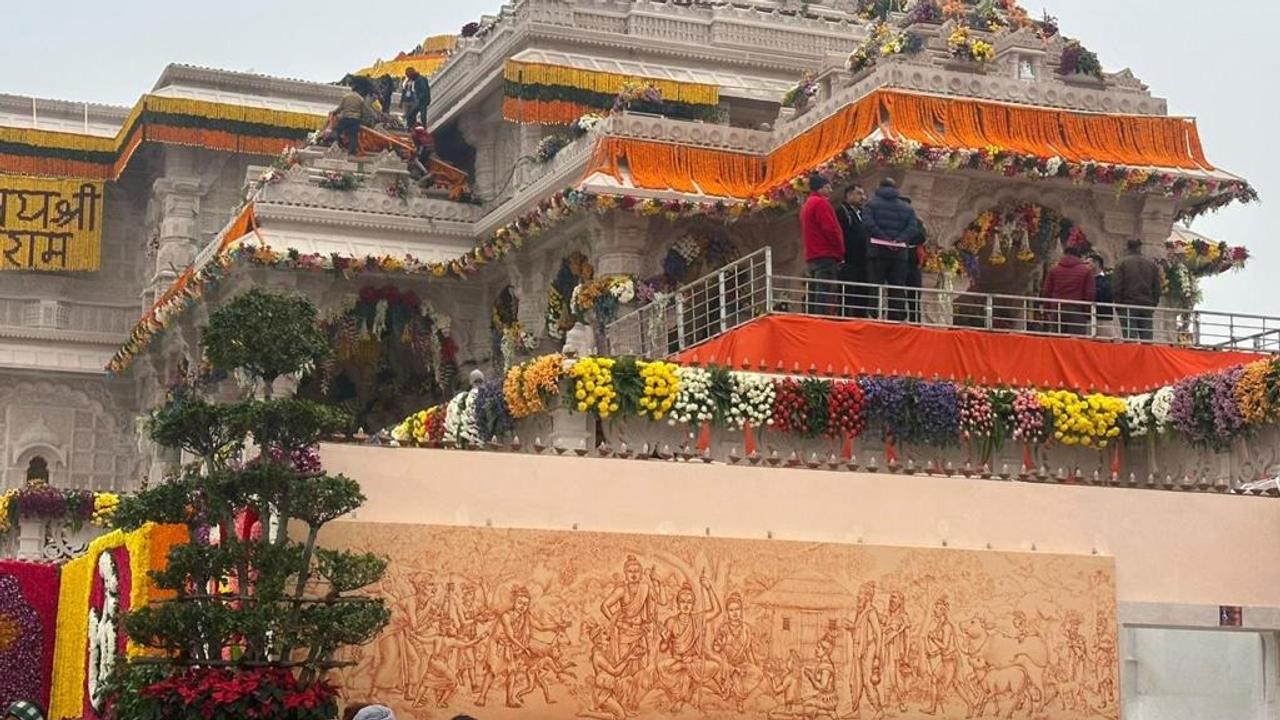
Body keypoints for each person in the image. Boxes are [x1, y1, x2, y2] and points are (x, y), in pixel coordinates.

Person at [862, 178, 919, 321]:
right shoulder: (907, 208)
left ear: (879, 187)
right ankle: (897, 315)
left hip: (877, 252)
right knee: (897, 285)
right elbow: (913, 228)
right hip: (899, 254)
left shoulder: (871, 204)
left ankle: (875, 314)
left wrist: (884, 239)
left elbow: (868, 224)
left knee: (876, 284)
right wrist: (898, 240)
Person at [800, 174, 844, 316]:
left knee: (815, 288)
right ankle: (823, 316)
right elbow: (830, 229)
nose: (830, 190)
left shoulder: (807, 204)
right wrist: (840, 248)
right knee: (825, 289)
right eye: (827, 187)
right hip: (825, 252)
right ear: (820, 188)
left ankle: (815, 315)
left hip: (813, 254)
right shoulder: (821, 203)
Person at [1113, 238, 1162, 341]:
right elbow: (1157, 288)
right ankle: (1146, 357)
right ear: (1140, 247)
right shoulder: (1151, 265)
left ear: (1127, 248)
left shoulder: (1121, 263)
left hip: (1127, 305)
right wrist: (1153, 304)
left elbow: (1117, 286)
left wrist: (1118, 305)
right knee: (1147, 340)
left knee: (1131, 340)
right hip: (1146, 306)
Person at [1040, 246, 1096, 335]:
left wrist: (1048, 310)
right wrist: (1087, 313)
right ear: (1079, 256)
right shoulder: (1086, 271)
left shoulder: (1054, 270)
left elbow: (1046, 291)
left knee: (1057, 341)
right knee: (1076, 342)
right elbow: (1089, 294)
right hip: (1077, 310)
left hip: (1057, 309)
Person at [836, 184, 871, 317]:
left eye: (863, 194)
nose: (863, 197)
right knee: (847, 295)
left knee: (862, 295)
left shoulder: (863, 213)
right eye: (859, 194)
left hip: (864, 262)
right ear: (849, 195)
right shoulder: (842, 211)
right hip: (849, 260)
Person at [901, 196, 926, 324]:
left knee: (915, 295)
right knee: (898, 294)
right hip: (898, 262)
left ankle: (915, 321)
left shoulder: (917, 222)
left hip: (913, 263)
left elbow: (921, 237)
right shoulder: (892, 222)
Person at [334, 78, 375, 156]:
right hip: (355, 120)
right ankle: (351, 151)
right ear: (358, 91)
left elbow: (340, 108)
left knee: (338, 131)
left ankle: (337, 145)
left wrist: (334, 113)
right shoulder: (360, 99)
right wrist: (362, 119)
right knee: (353, 136)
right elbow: (363, 111)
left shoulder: (346, 97)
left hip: (345, 118)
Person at [1086, 252, 1115, 337]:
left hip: (1104, 318)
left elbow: (1108, 295)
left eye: (1088, 263)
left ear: (1096, 264)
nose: (1085, 266)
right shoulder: (1085, 279)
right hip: (1089, 318)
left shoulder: (1108, 279)